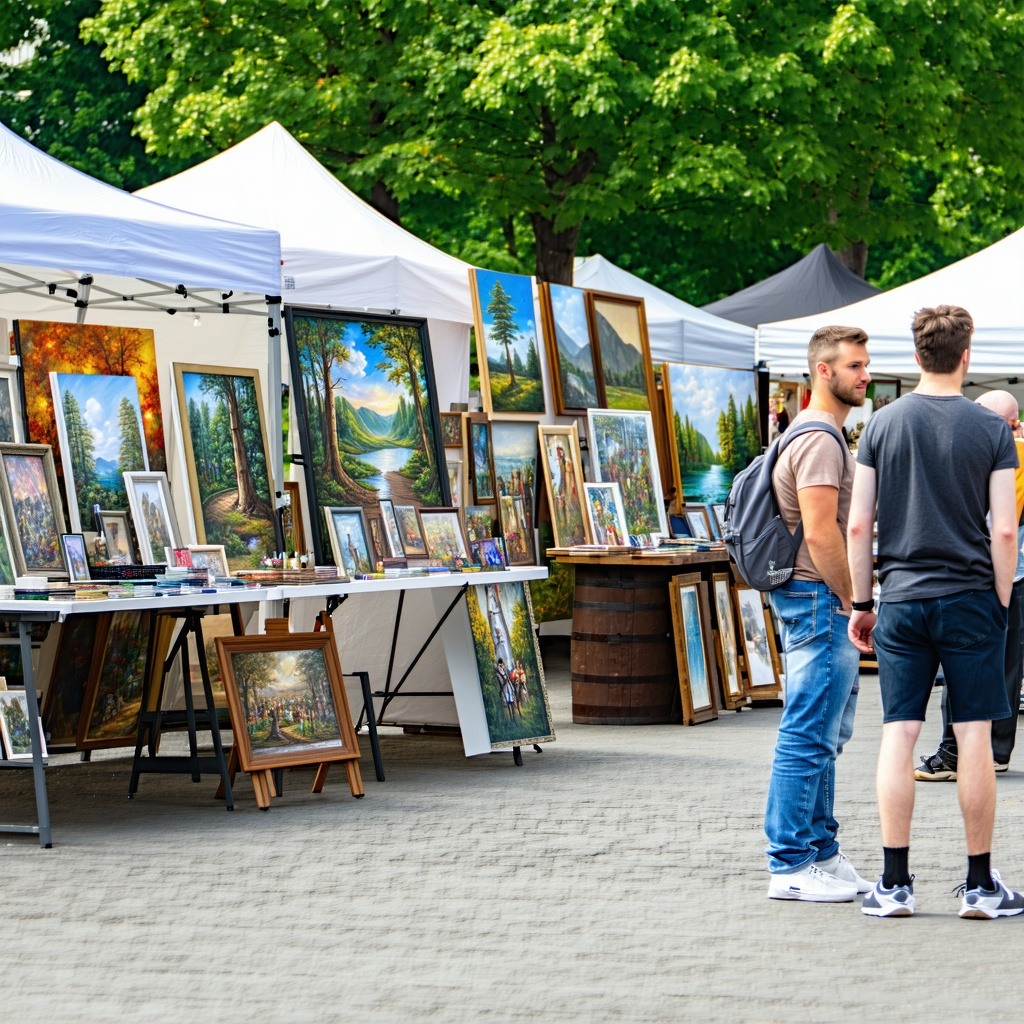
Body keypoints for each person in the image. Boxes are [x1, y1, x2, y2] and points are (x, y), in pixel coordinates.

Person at [848, 305, 1024, 919]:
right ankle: (979, 886)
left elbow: (858, 521)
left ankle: (894, 883)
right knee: (973, 733)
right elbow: (1005, 532)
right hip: (972, 595)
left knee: (900, 732)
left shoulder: (882, 425)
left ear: (917, 356)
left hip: (900, 598)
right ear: (966, 356)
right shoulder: (993, 431)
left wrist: (863, 600)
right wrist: (1001, 597)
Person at [765, 324, 872, 903]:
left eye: (865, 364)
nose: (866, 375)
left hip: (814, 596)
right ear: (823, 372)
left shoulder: (823, 433)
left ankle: (821, 852)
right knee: (807, 731)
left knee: (825, 732)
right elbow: (823, 532)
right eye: (855, 365)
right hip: (816, 595)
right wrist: (858, 601)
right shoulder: (820, 440)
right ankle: (789, 863)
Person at [914, 390, 1024, 781]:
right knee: (1005, 668)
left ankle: (953, 753)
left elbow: (999, 527)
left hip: (980, 575)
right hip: (1009, 574)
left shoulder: (985, 448)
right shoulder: (1012, 451)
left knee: (963, 664)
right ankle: (995, 752)